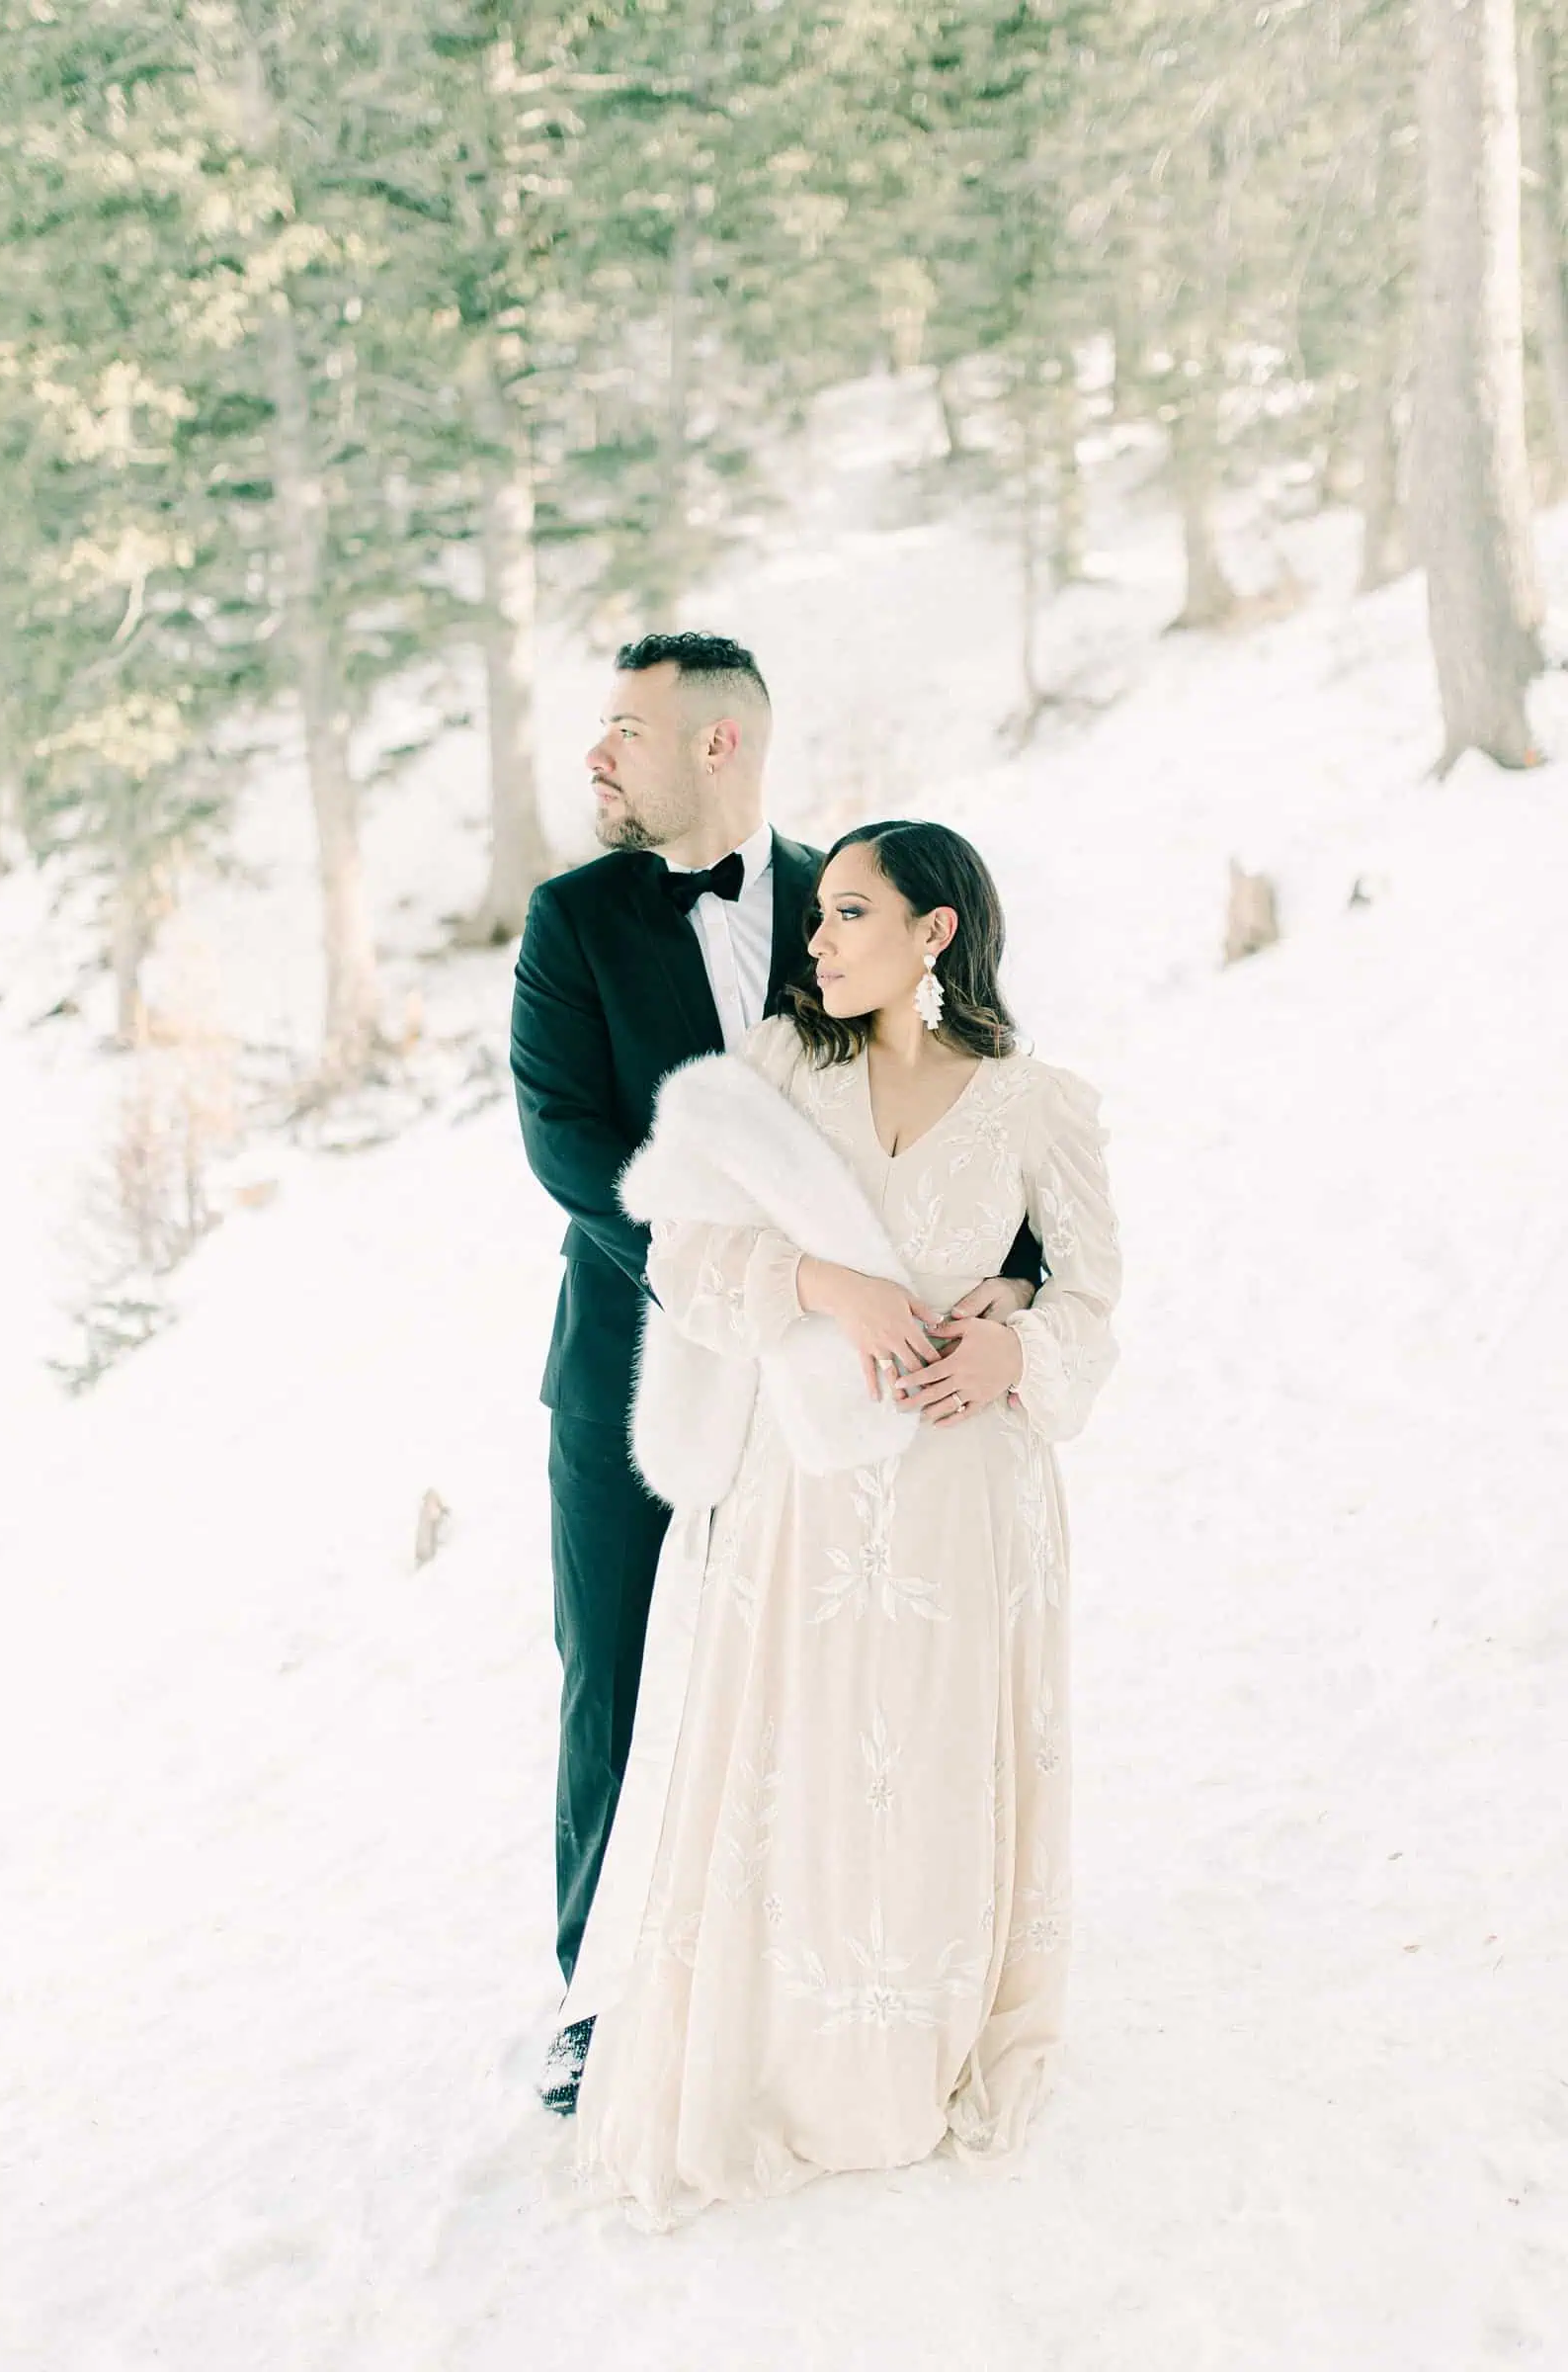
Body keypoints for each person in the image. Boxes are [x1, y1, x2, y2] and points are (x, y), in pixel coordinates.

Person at [557, 818, 1123, 2229]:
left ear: (934, 933)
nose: (817, 940)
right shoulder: (773, 1077)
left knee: (933, 1765)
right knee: (799, 1767)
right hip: (800, 1503)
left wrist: (1020, 1353)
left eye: (850, 914)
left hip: (965, 1500)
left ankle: (920, 2048)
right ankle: (796, 2063)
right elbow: (686, 1259)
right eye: (815, 919)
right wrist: (825, 1284)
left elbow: (1091, 1306)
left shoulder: (1035, 1102)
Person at [508, 636, 1045, 2075]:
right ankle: (598, 1995)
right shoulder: (571, 920)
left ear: (719, 746)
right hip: (641, 1354)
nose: (599, 753)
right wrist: (739, 1291)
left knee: (820, 1662)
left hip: (857, 1372)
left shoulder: (856, 892)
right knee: (618, 1660)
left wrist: (1010, 1288)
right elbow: (567, 1143)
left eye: (627, 727)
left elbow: (971, 1112)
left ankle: (791, 1968)